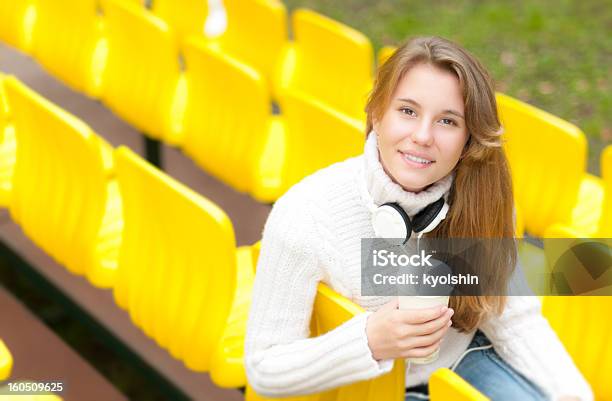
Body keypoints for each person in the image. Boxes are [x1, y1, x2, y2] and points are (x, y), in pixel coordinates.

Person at [245, 36, 592, 401]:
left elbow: (512, 315)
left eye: (447, 120)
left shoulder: (482, 200)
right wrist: (370, 340)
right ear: (377, 114)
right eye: (407, 111)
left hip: (462, 361)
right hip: (362, 388)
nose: (423, 136)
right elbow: (265, 368)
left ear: (468, 139)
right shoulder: (306, 213)